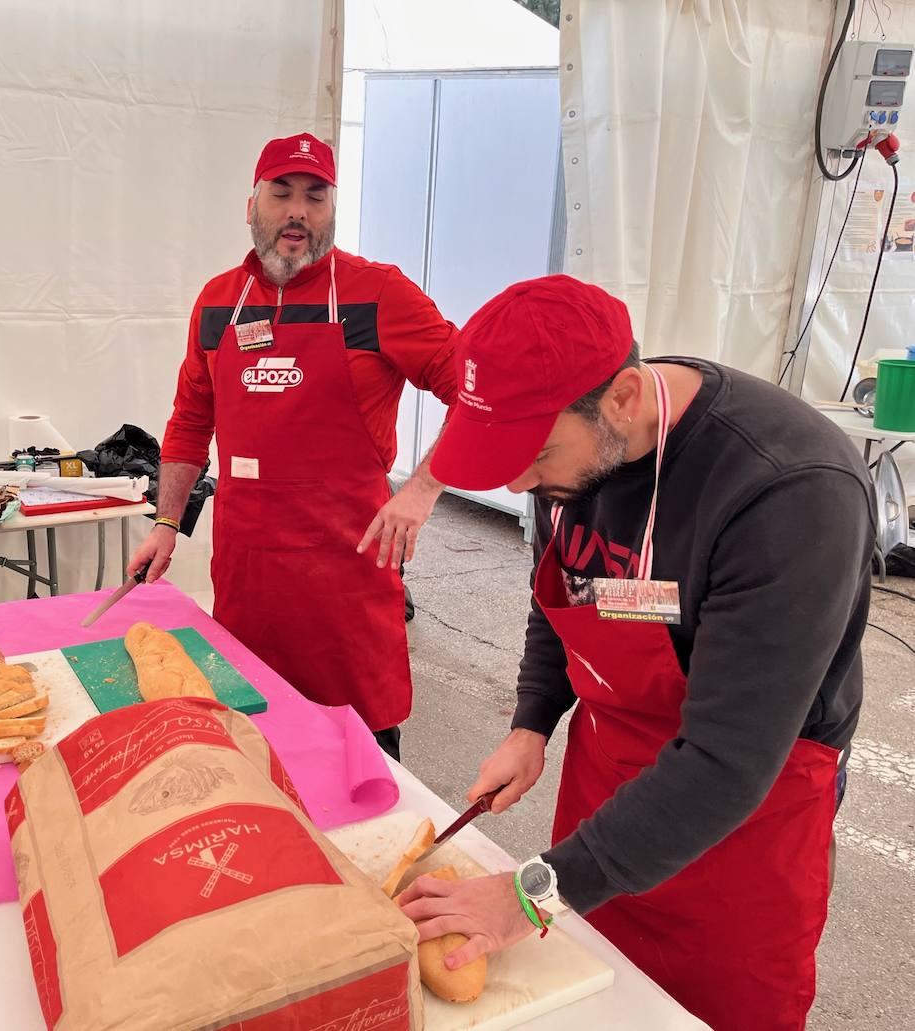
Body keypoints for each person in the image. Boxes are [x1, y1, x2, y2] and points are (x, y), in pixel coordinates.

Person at [398, 275, 873, 1031]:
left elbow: (727, 763)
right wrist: (532, 720)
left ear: (621, 397)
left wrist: (530, 893)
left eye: (535, 454)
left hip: (747, 814)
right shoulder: (581, 445)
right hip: (612, 772)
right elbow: (565, 590)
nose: (521, 480)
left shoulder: (788, 492)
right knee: (595, 996)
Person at [128, 132, 463, 760]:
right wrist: (166, 521)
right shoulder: (218, 302)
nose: (297, 212)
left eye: (315, 196)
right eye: (281, 193)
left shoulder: (378, 293)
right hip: (251, 576)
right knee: (256, 749)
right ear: (251, 205)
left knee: (360, 761)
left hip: (348, 578)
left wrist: (421, 490)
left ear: (332, 209)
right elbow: (190, 420)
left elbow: (474, 390)